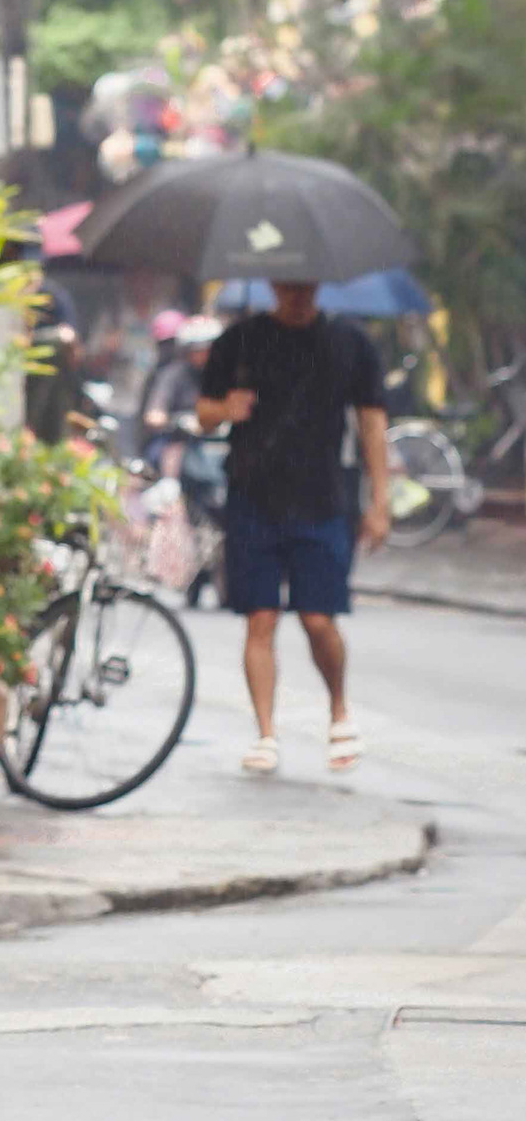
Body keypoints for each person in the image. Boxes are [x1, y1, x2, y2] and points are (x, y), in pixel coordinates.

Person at [196, 280, 390, 775]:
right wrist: (226, 409)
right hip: (253, 497)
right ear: (274, 285)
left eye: (305, 286)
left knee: (318, 618)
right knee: (260, 618)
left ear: (319, 284)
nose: (296, 294)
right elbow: (203, 414)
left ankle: (339, 707)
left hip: (323, 499)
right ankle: (265, 733)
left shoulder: (350, 343)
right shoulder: (238, 341)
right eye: (287, 286)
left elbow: (371, 422)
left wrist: (380, 500)